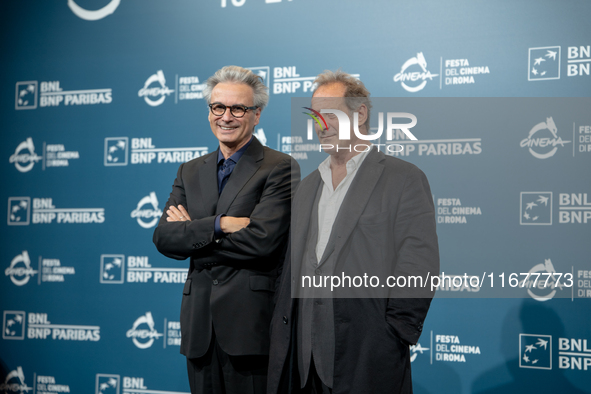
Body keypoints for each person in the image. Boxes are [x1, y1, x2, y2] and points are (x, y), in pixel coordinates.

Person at [267, 70, 439, 394]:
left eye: (330, 114)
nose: (321, 124)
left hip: (367, 360)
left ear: (360, 113)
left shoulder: (403, 178)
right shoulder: (306, 188)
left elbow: (419, 262)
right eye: (315, 116)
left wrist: (393, 333)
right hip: (303, 364)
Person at [153, 65, 299, 394]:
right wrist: (221, 225)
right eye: (218, 107)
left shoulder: (279, 167)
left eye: (238, 108)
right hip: (199, 328)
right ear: (209, 112)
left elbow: (262, 241)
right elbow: (163, 238)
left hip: (250, 328)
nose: (227, 117)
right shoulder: (190, 171)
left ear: (256, 114)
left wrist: (193, 232)